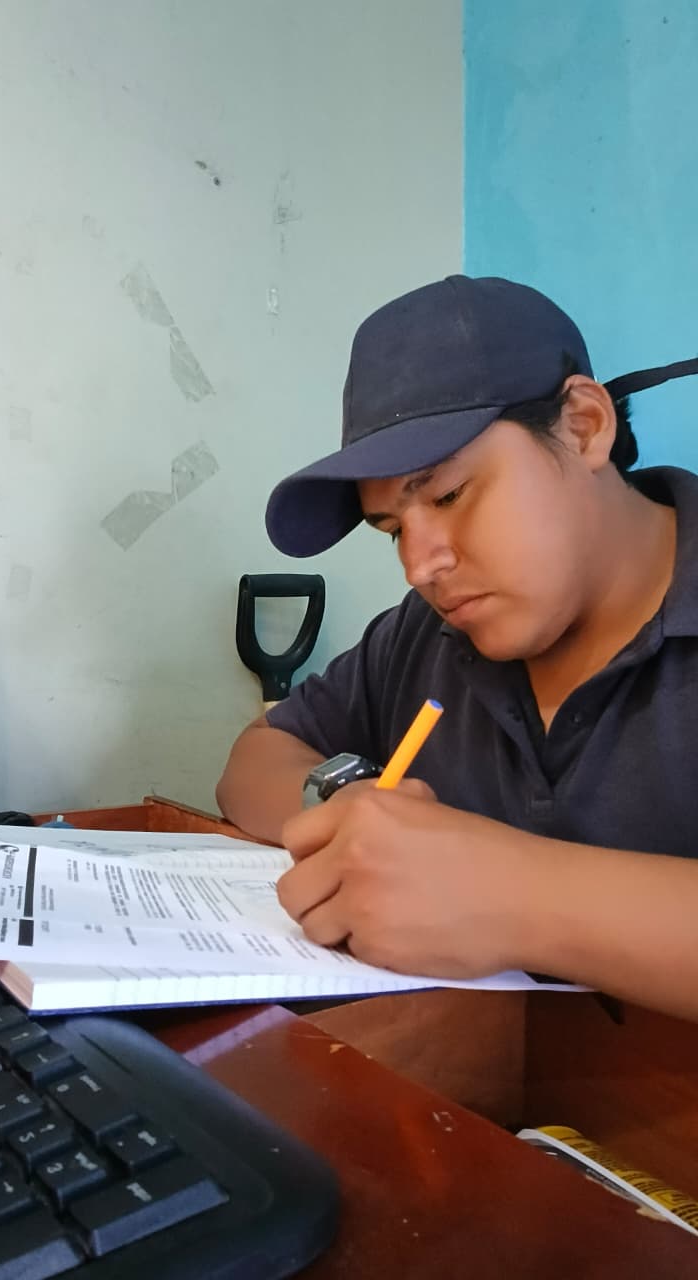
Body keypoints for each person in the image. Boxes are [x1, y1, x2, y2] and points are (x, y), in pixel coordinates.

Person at [216, 274, 698, 1021]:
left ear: (583, 426)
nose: (420, 566)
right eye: (392, 530)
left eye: (447, 496)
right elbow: (256, 758)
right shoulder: (427, 632)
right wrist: (351, 814)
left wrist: (513, 894)